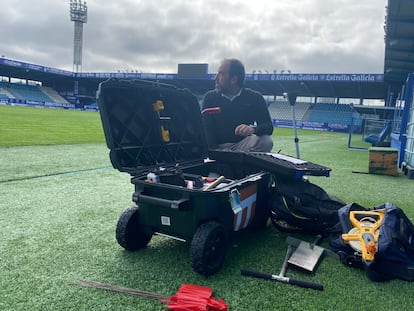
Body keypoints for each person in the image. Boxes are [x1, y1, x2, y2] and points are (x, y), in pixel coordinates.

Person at [201, 58, 274, 152]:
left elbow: (268, 127)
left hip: (242, 145)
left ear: (233, 79)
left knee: (266, 141)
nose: (216, 78)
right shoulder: (210, 97)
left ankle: (245, 161)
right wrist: (216, 151)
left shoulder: (255, 98)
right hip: (218, 147)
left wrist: (253, 129)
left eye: (221, 73)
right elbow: (206, 129)